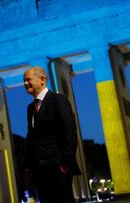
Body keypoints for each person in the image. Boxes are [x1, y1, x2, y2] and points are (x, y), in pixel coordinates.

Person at [23, 67, 81, 203]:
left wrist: (64, 164)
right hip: (39, 170)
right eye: (23, 81)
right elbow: (31, 138)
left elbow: (70, 133)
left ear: (42, 80)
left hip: (58, 168)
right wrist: (28, 167)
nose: (25, 83)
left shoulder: (58, 100)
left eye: (28, 80)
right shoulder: (30, 108)